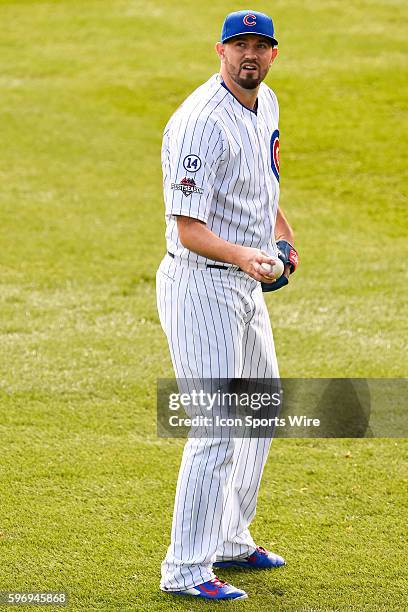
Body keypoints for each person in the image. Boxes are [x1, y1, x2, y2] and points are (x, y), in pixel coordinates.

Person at [156, 9, 299, 602]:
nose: (249, 55)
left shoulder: (265, 104)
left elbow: (265, 190)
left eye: (258, 46)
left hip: (241, 279)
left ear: (272, 54)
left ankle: (230, 539)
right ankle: (185, 569)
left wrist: (284, 241)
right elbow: (188, 229)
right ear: (219, 50)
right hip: (201, 283)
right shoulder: (198, 124)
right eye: (238, 44)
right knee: (216, 427)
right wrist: (246, 257)